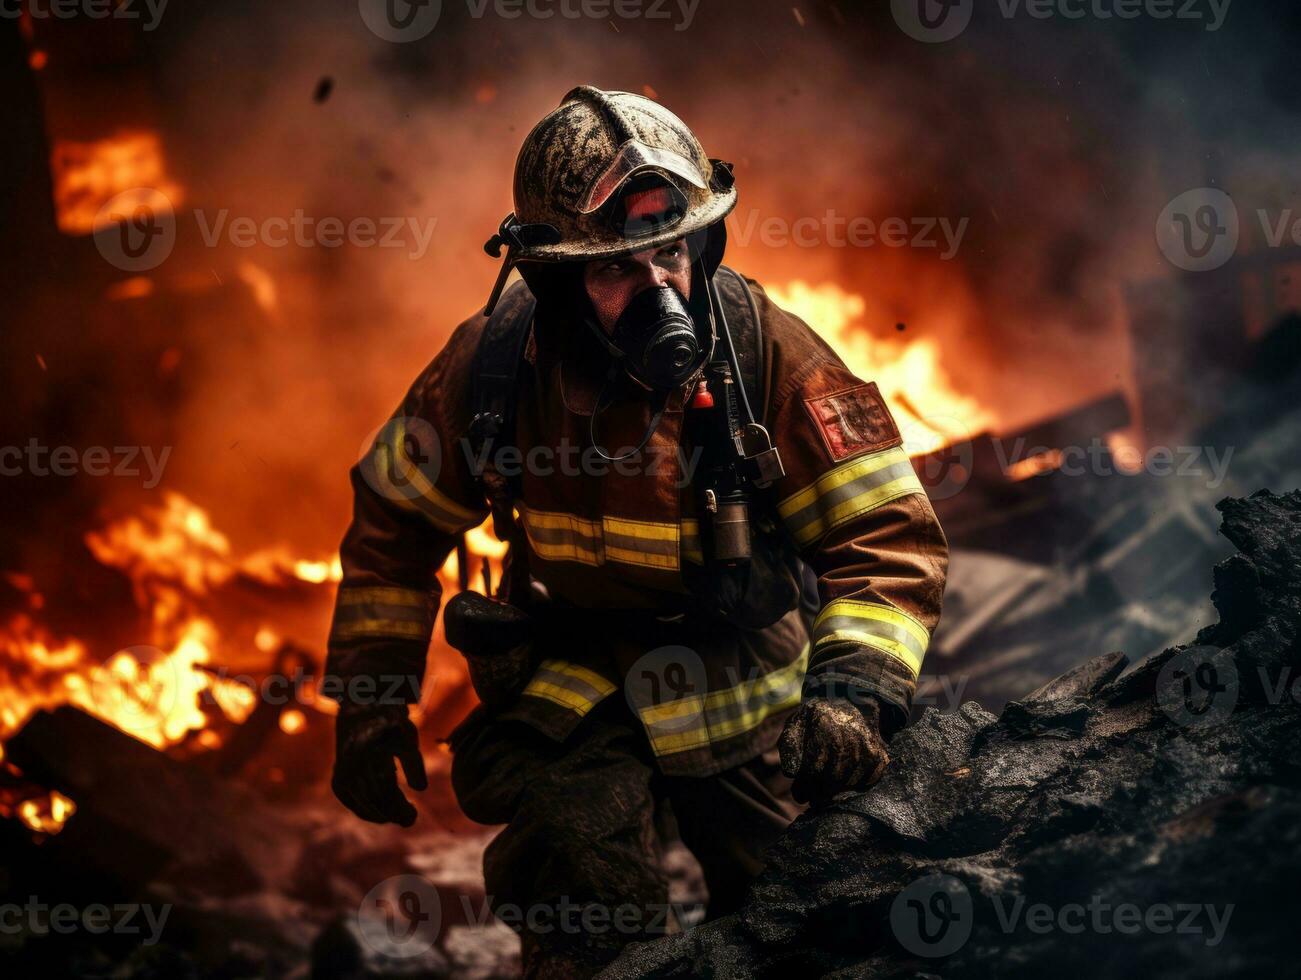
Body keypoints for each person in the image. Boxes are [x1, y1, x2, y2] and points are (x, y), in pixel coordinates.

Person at [326, 86, 949, 978]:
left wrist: (851, 694)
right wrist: (371, 695)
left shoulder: (762, 352)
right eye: (619, 269)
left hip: (742, 685)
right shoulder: (498, 364)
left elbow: (883, 535)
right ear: (555, 278)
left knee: (807, 924)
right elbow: (396, 516)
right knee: (586, 923)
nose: (660, 289)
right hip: (573, 683)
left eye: (671, 252)